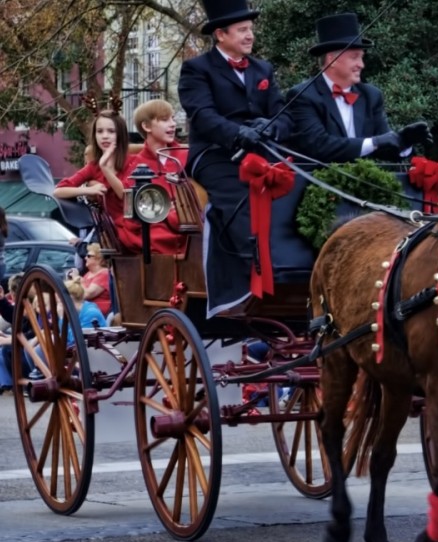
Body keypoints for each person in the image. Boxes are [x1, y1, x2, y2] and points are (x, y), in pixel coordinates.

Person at [178, 0, 293, 318]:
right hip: (216, 155)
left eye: (250, 29)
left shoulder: (263, 69)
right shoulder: (196, 69)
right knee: (241, 194)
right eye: (242, 30)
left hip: (263, 153)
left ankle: (294, 268)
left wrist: (270, 126)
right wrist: (239, 133)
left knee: (297, 187)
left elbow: (284, 116)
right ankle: (253, 273)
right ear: (220, 34)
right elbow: (202, 116)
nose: (249, 36)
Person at [286, 12, 432, 164]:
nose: (361, 65)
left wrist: (404, 142)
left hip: (365, 182)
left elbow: (385, 148)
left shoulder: (371, 95)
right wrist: (374, 142)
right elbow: (318, 145)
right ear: (332, 59)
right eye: (354, 57)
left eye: (361, 57)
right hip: (316, 183)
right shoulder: (302, 96)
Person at [54, 106, 140, 252]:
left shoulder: (133, 161)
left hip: (135, 227)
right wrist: (89, 189)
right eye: (100, 131)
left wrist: (105, 168)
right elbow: (58, 191)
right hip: (111, 232)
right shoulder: (92, 167)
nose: (104, 136)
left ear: (120, 135)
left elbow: (126, 196)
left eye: (111, 131)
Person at [128, 99, 189, 255]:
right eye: (164, 119)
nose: (173, 124)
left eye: (173, 118)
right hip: (156, 240)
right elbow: (133, 213)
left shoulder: (187, 157)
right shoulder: (134, 165)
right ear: (146, 126)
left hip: (191, 231)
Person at [67, 243, 112, 316]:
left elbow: (86, 294)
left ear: (99, 259)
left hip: (96, 314)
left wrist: (78, 280)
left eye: (89, 256)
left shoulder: (104, 274)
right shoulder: (88, 274)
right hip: (84, 311)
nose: (85, 258)